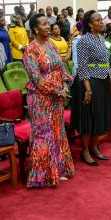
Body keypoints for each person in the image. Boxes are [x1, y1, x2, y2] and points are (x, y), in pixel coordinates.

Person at [23, 14, 74, 187]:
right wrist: (55, 90)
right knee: (44, 134)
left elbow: (61, 68)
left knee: (57, 132)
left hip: (57, 96)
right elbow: (35, 78)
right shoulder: (30, 49)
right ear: (35, 29)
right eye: (44, 24)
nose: (48, 27)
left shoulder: (51, 45)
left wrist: (65, 85)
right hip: (40, 99)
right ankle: (41, 175)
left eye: (48, 24)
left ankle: (57, 170)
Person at [71, 10, 111, 166]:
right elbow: (82, 66)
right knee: (88, 118)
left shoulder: (101, 38)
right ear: (89, 24)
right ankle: (85, 151)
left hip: (101, 81)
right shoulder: (83, 41)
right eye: (97, 20)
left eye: (101, 19)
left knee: (98, 116)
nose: (101, 22)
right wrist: (88, 90)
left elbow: (104, 63)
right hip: (87, 83)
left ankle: (96, 148)